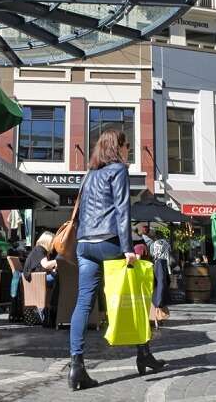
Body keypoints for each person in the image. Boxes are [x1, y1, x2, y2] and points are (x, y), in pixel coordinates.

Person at [68, 129, 164, 391]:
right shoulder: (118, 170)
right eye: (126, 145)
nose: (128, 149)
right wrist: (127, 249)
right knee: (139, 288)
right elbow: (123, 209)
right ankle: (143, 352)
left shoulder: (90, 174)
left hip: (85, 244)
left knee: (83, 303)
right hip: (108, 241)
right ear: (117, 146)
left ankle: (77, 366)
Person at [150, 234, 172, 323]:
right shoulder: (167, 244)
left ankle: (157, 315)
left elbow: (152, 254)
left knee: (157, 288)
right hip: (165, 266)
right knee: (161, 286)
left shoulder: (153, 244)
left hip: (157, 265)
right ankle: (158, 315)